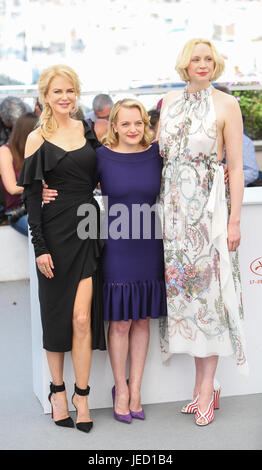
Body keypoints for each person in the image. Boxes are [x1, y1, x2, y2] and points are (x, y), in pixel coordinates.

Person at [43, 98, 167, 423]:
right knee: (122, 321)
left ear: (146, 125)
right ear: (113, 125)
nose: (132, 129)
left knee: (142, 320)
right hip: (115, 245)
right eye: (125, 123)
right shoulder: (101, 157)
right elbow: (70, 181)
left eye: (138, 123)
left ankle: (136, 388)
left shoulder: (158, 154)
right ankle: (120, 389)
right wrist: (43, 189)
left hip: (149, 243)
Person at [157, 38, 248, 426]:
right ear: (184, 63)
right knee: (187, 303)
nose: (203, 64)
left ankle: (207, 389)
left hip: (208, 216)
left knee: (210, 302)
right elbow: (153, 152)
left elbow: (237, 167)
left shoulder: (227, 104)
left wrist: (234, 221)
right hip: (174, 217)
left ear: (216, 64)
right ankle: (201, 387)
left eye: (209, 58)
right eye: (196, 58)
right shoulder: (168, 102)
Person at [17, 64, 106, 433]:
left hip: (87, 227)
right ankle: (57, 390)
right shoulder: (37, 138)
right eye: (57, 92)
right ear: (45, 97)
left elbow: (109, 170)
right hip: (53, 235)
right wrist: (40, 247)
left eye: (70, 90)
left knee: (82, 319)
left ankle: (81, 396)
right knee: (56, 317)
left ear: (76, 93)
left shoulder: (88, 131)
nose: (65, 97)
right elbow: (33, 198)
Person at [0, 112, 38, 236]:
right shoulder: (5, 151)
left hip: (40, 207)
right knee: (47, 237)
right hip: (19, 211)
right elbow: (12, 188)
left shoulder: (37, 149)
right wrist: (39, 185)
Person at [215, 86, 259, 186]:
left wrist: (230, 177)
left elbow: (252, 173)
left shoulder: (244, 141)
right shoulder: (202, 137)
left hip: (235, 191)